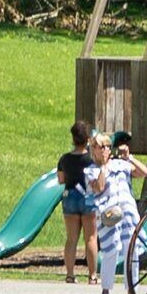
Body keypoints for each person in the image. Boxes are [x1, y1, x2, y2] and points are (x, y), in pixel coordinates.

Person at [92, 130, 143, 294]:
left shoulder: (121, 164)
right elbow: (98, 188)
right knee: (110, 249)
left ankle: (132, 293)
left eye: (108, 146)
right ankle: (106, 291)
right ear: (95, 150)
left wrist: (129, 157)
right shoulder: (91, 170)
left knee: (132, 250)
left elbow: (144, 172)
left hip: (128, 213)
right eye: (101, 147)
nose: (106, 149)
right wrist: (104, 167)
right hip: (109, 215)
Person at [55, 119, 97, 283]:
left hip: (70, 196)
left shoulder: (64, 159)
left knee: (71, 238)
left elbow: (60, 179)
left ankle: (70, 274)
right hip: (87, 196)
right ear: (88, 139)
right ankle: (93, 275)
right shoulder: (91, 159)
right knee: (91, 238)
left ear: (73, 138)